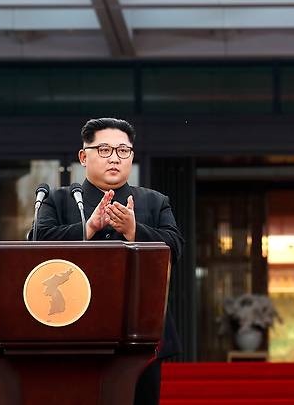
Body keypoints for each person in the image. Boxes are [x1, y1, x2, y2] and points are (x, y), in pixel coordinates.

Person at [34, 117, 184, 405]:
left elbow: (175, 248)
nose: (114, 158)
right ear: (83, 156)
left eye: (123, 151)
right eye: (104, 150)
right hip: (73, 329)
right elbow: (38, 243)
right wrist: (88, 228)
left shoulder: (154, 202)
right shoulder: (61, 200)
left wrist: (133, 230)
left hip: (141, 331)